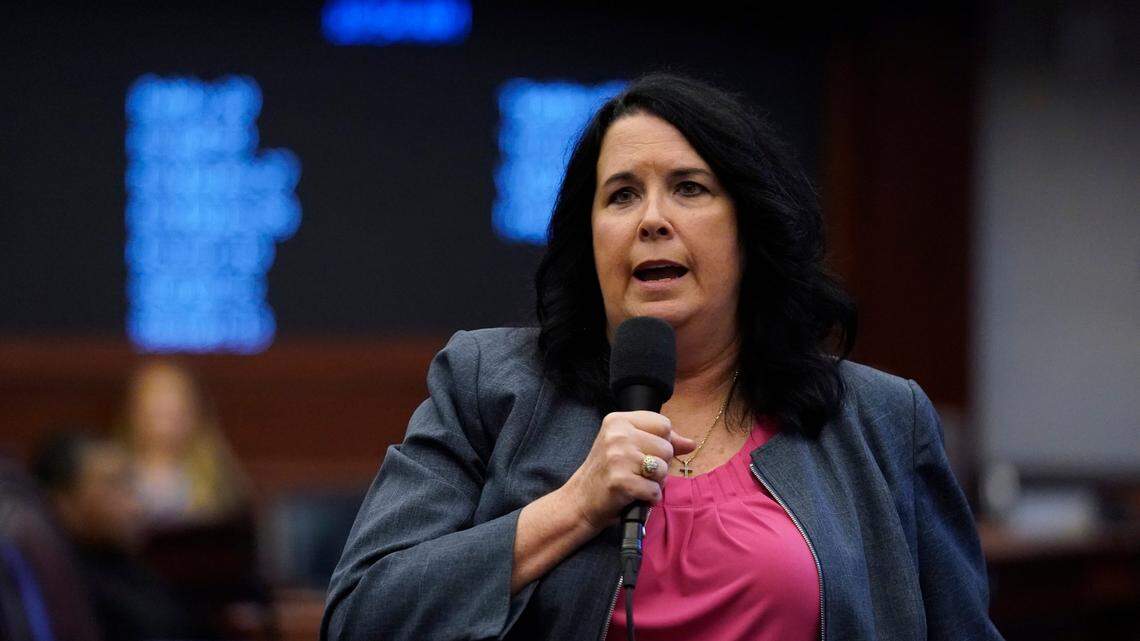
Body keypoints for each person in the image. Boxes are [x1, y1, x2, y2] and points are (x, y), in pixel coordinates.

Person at [322, 73, 1003, 640]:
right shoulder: (488, 388)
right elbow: (361, 613)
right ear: (589, 240)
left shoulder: (883, 420)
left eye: (689, 188)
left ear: (748, 227)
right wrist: (576, 506)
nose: (652, 218)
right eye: (622, 194)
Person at [31, 430, 207, 641]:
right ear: (62, 502)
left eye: (130, 484)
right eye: (113, 484)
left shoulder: (129, 568)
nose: (134, 506)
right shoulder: (65, 592)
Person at [118, 360, 247, 526]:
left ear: (194, 413)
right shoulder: (111, 475)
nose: (166, 417)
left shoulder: (219, 479)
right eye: (157, 408)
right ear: (134, 411)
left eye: (174, 409)